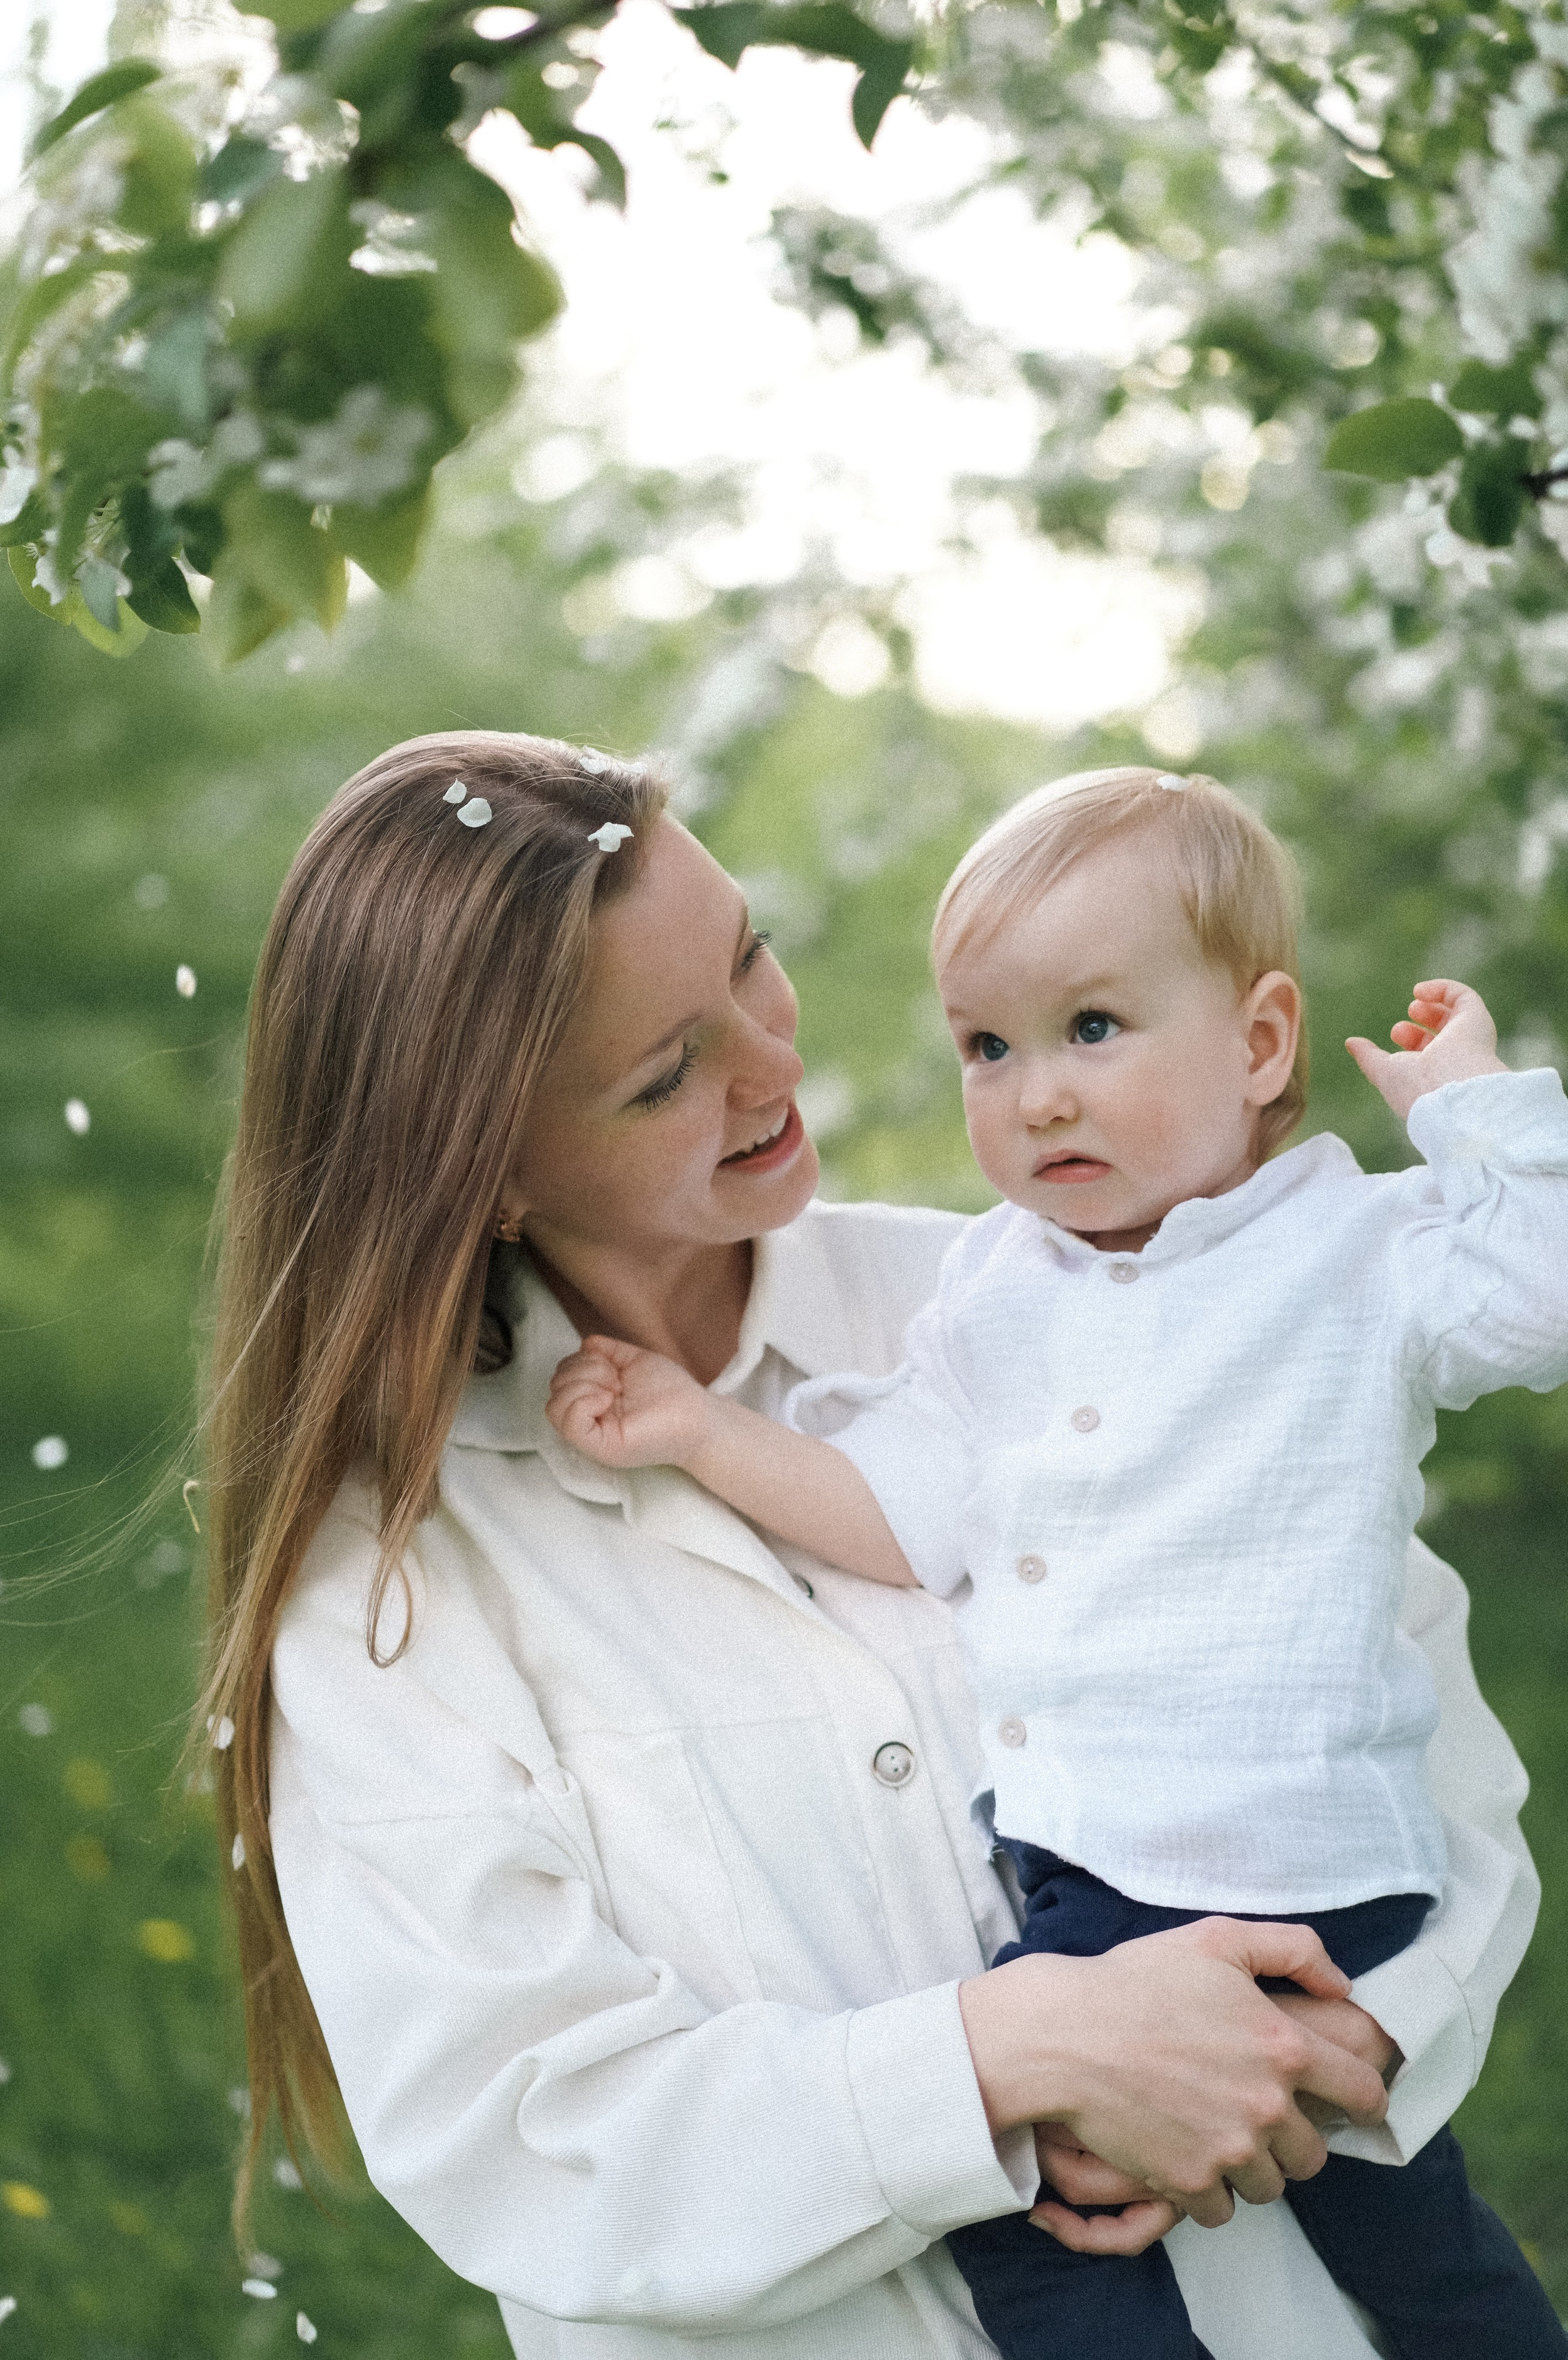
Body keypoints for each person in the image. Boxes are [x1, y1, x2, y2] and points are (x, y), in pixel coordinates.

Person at [204, 732, 1542, 2360]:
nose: (772, 1065)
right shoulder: (396, 1589)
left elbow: (1420, 1749)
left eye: (750, 958)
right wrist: (1004, 2061)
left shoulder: (1068, 1291)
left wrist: (1342, 2049)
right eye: (663, 1073)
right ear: (478, 1168)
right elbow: (531, 2130)